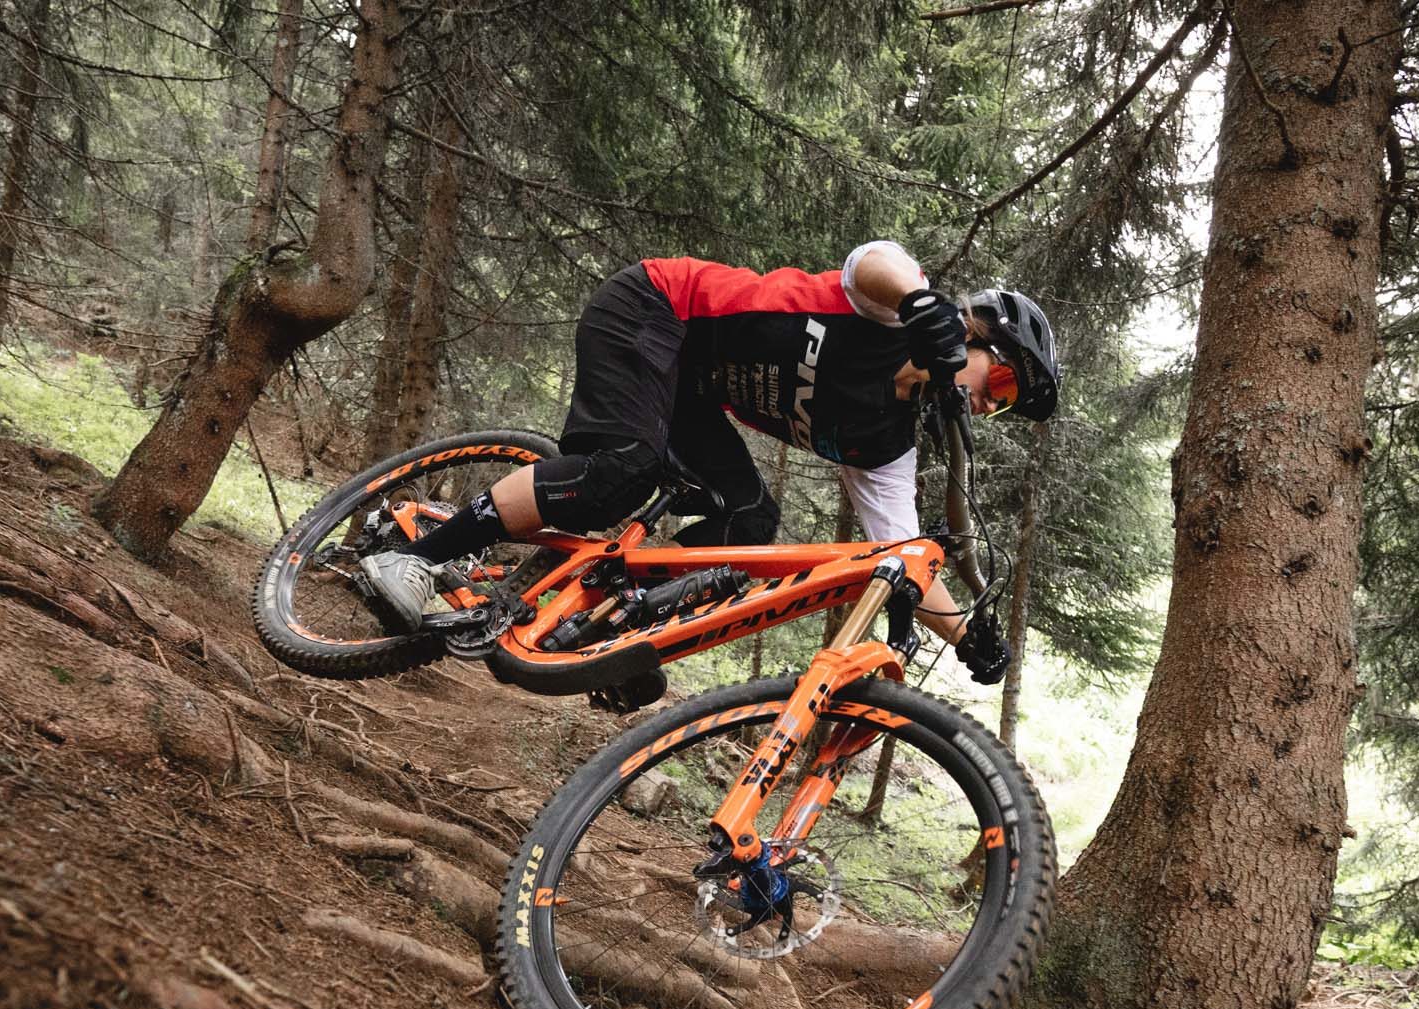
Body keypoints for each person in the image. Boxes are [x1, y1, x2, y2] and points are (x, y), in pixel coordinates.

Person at [360, 242, 1060, 685]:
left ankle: (607, 634)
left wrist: (967, 633)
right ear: (974, 332)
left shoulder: (888, 446)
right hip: (654, 308)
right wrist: (920, 302)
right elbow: (876, 261)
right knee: (620, 469)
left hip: (688, 388)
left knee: (751, 520)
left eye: (999, 408)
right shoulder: (891, 307)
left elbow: (904, 554)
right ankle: (419, 555)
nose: (982, 407)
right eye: (998, 386)